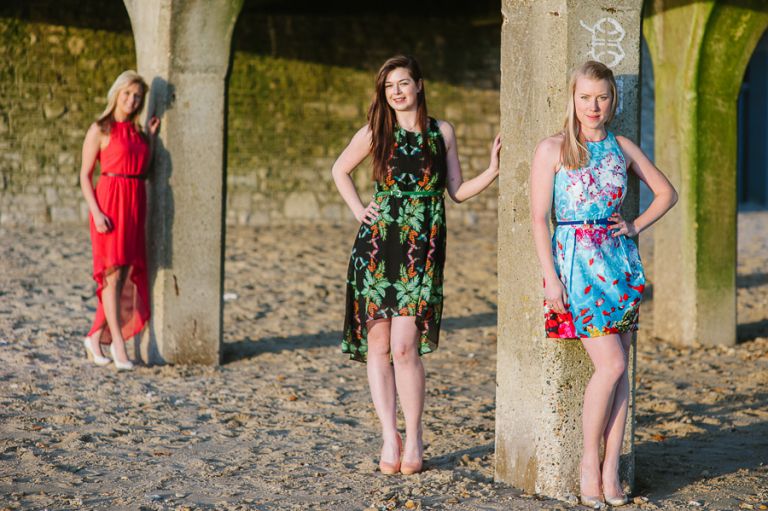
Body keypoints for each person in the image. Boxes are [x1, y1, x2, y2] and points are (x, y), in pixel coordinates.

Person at [332, 55, 501, 475]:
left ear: (419, 85)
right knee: (378, 345)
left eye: (404, 83)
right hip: (376, 245)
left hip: (420, 249)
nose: (397, 92)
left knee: (405, 346)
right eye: (390, 86)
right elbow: (340, 170)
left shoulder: (441, 132)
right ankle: (390, 435)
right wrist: (359, 211)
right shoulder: (377, 131)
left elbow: (457, 191)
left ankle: (416, 434)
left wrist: (494, 169)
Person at [530, 61, 677, 507]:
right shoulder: (552, 149)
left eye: (602, 97)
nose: (593, 106)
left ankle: (611, 469)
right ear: (572, 100)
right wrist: (550, 279)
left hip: (619, 264)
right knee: (609, 366)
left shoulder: (622, 147)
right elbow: (539, 219)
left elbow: (666, 193)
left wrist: (635, 225)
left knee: (621, 374)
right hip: (574, 267)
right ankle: (586, 465)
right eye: (585, 97)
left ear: (613, 101)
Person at [79, 70, 160, 371]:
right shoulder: (100, 129)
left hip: (135, 202)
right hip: (109, 204)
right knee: (111, 276)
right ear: (117, 93)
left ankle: (96, 335)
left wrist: (150, 139)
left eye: (137, 96)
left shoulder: (139, 134)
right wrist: (96, 212)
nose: (132, 99)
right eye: (127, 93)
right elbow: (85, 176)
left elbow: (145, 168)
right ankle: (118, 346)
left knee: (123, 276)